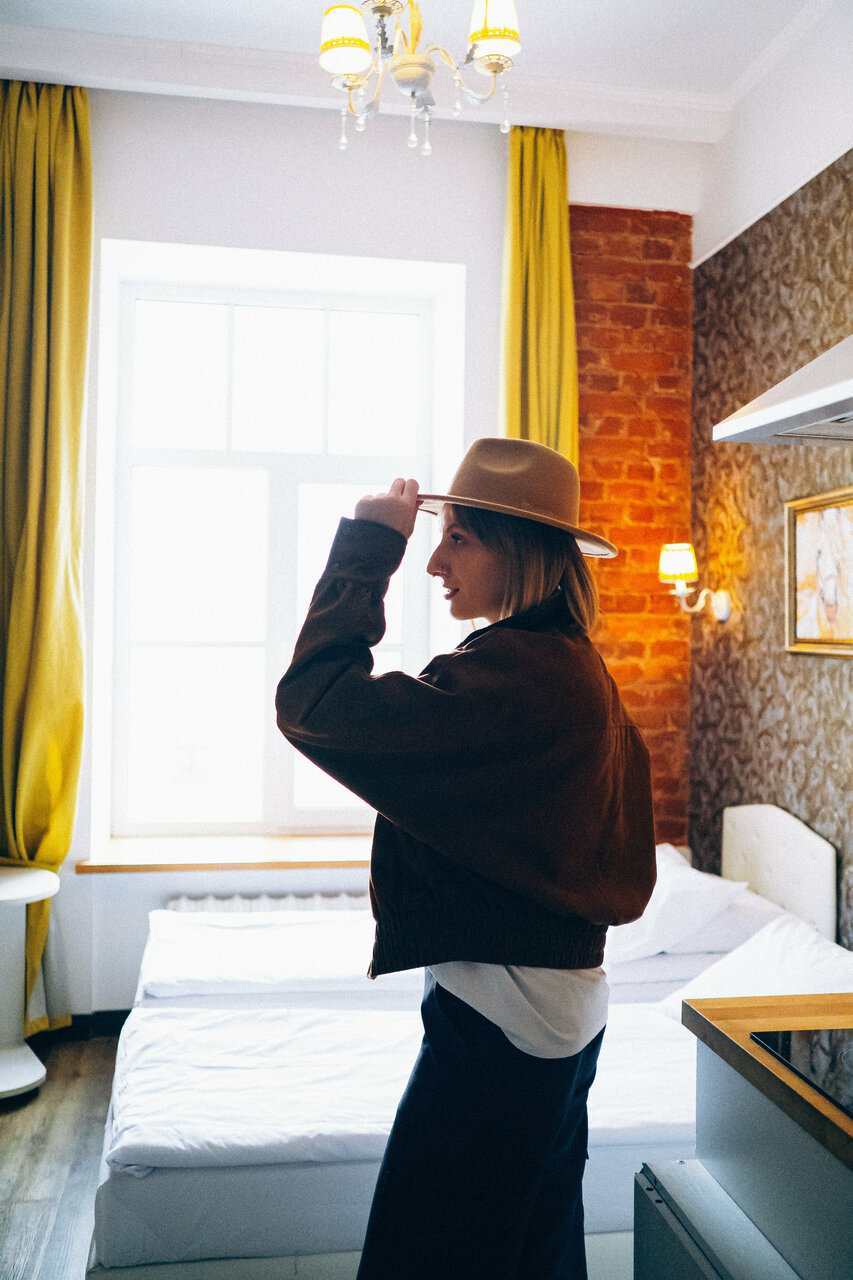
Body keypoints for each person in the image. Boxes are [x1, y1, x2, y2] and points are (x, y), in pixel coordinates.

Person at [275, 436, 656, 1280]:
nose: (433, 562)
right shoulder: (565, 667)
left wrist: (369, 545)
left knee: (425, 1259)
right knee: (529, 1255)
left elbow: (314, 704)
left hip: (502, 1026)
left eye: (458, 538)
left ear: (518, 550)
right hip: (546, 1015)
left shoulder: (518, 676)